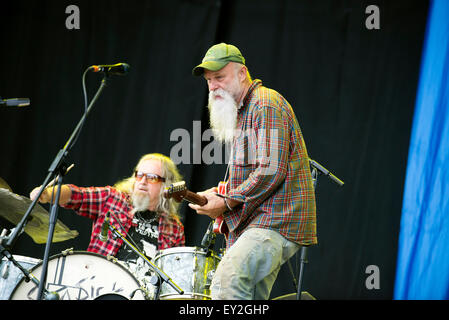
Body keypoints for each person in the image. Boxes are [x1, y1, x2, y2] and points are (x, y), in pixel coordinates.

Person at [189, 43, 317, 300]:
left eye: (220, 77)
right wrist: (218, 195)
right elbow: (257, 174)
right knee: (251, 297)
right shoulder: (243, 111)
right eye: (209, 81)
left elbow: (271, 171)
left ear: (242, 73)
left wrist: (225, 202)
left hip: (276, 219)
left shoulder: (265, 104)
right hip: (263, 221)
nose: (213, 86)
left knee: (226, 282)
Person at [30, 153, 185, 295]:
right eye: (139, 175)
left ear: (167, 185)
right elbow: (76, 195)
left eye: (152, 177)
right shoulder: (113, 199)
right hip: (97, 287)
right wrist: (49, 194)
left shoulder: (175, 227)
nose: (143, 182)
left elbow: (175, 275)